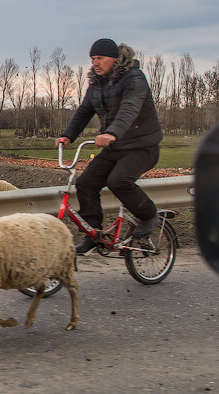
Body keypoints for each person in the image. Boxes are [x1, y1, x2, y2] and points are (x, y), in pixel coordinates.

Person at [56, 38, 163, 254]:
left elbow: (129, 109)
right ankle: (93, 233)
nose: (95, 63)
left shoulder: (134, 78)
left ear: (114, 59)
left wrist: (111, 133)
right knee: (85, 183)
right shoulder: (96, 83)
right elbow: (84, 111)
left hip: (142, 147)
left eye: (100, 58)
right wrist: (68, 136)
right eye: (92, 59)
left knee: (118, 181)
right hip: (116, 148)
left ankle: (149, 215)